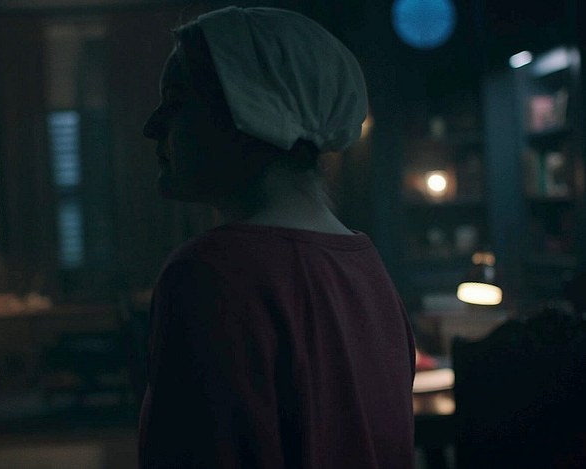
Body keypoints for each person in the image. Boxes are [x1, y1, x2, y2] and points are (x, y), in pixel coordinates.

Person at [138, 6, 416, 469]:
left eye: (176, 100)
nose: (153, 126)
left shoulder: (210, 274)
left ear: (249, 111)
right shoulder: (367, 268)